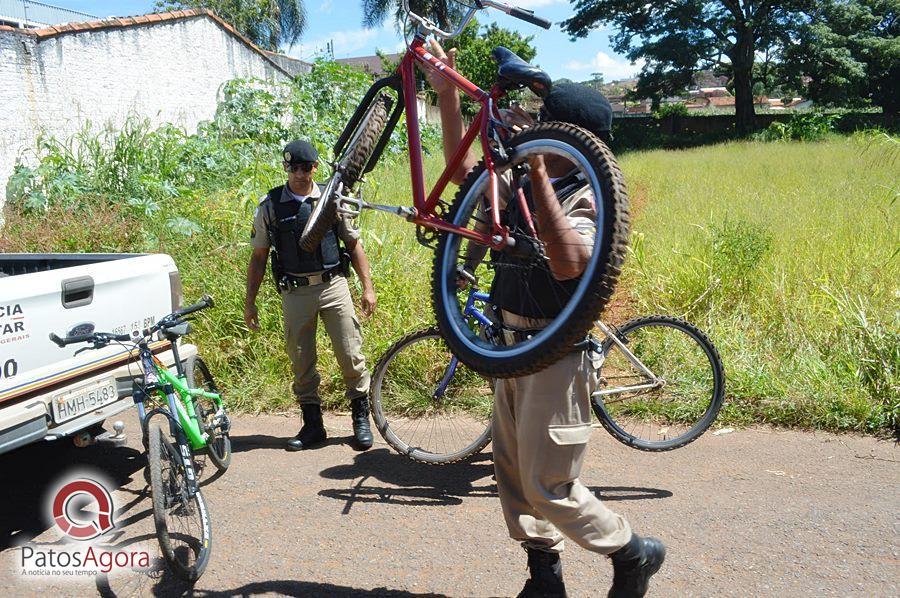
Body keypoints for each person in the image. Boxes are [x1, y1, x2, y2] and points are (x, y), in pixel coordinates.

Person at [421, 42, 665, 597]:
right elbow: (465, 173)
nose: (532, 124)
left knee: (549, 484)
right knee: (512, 476)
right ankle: (544, 576)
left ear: (571, 136)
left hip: (558, 356)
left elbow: (569, 263)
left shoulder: (588, 195)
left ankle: (632, 551)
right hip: (511, 346)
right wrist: (446, 96)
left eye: (545, 123)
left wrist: (531, 162)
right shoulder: (524, 184)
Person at [244, 140, 376, 452]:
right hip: (295, 292)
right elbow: (259, 257)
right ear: (285, 168)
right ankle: (313, 425)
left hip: (333, 286)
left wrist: (368, 287)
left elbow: (353, 244)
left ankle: (361, 419)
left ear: (315, 167)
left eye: (306, 167)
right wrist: (249, 302)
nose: (300, 174)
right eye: (294, 168)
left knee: (350, 354)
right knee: (301, 361)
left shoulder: (331, 199)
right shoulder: (271, 206)